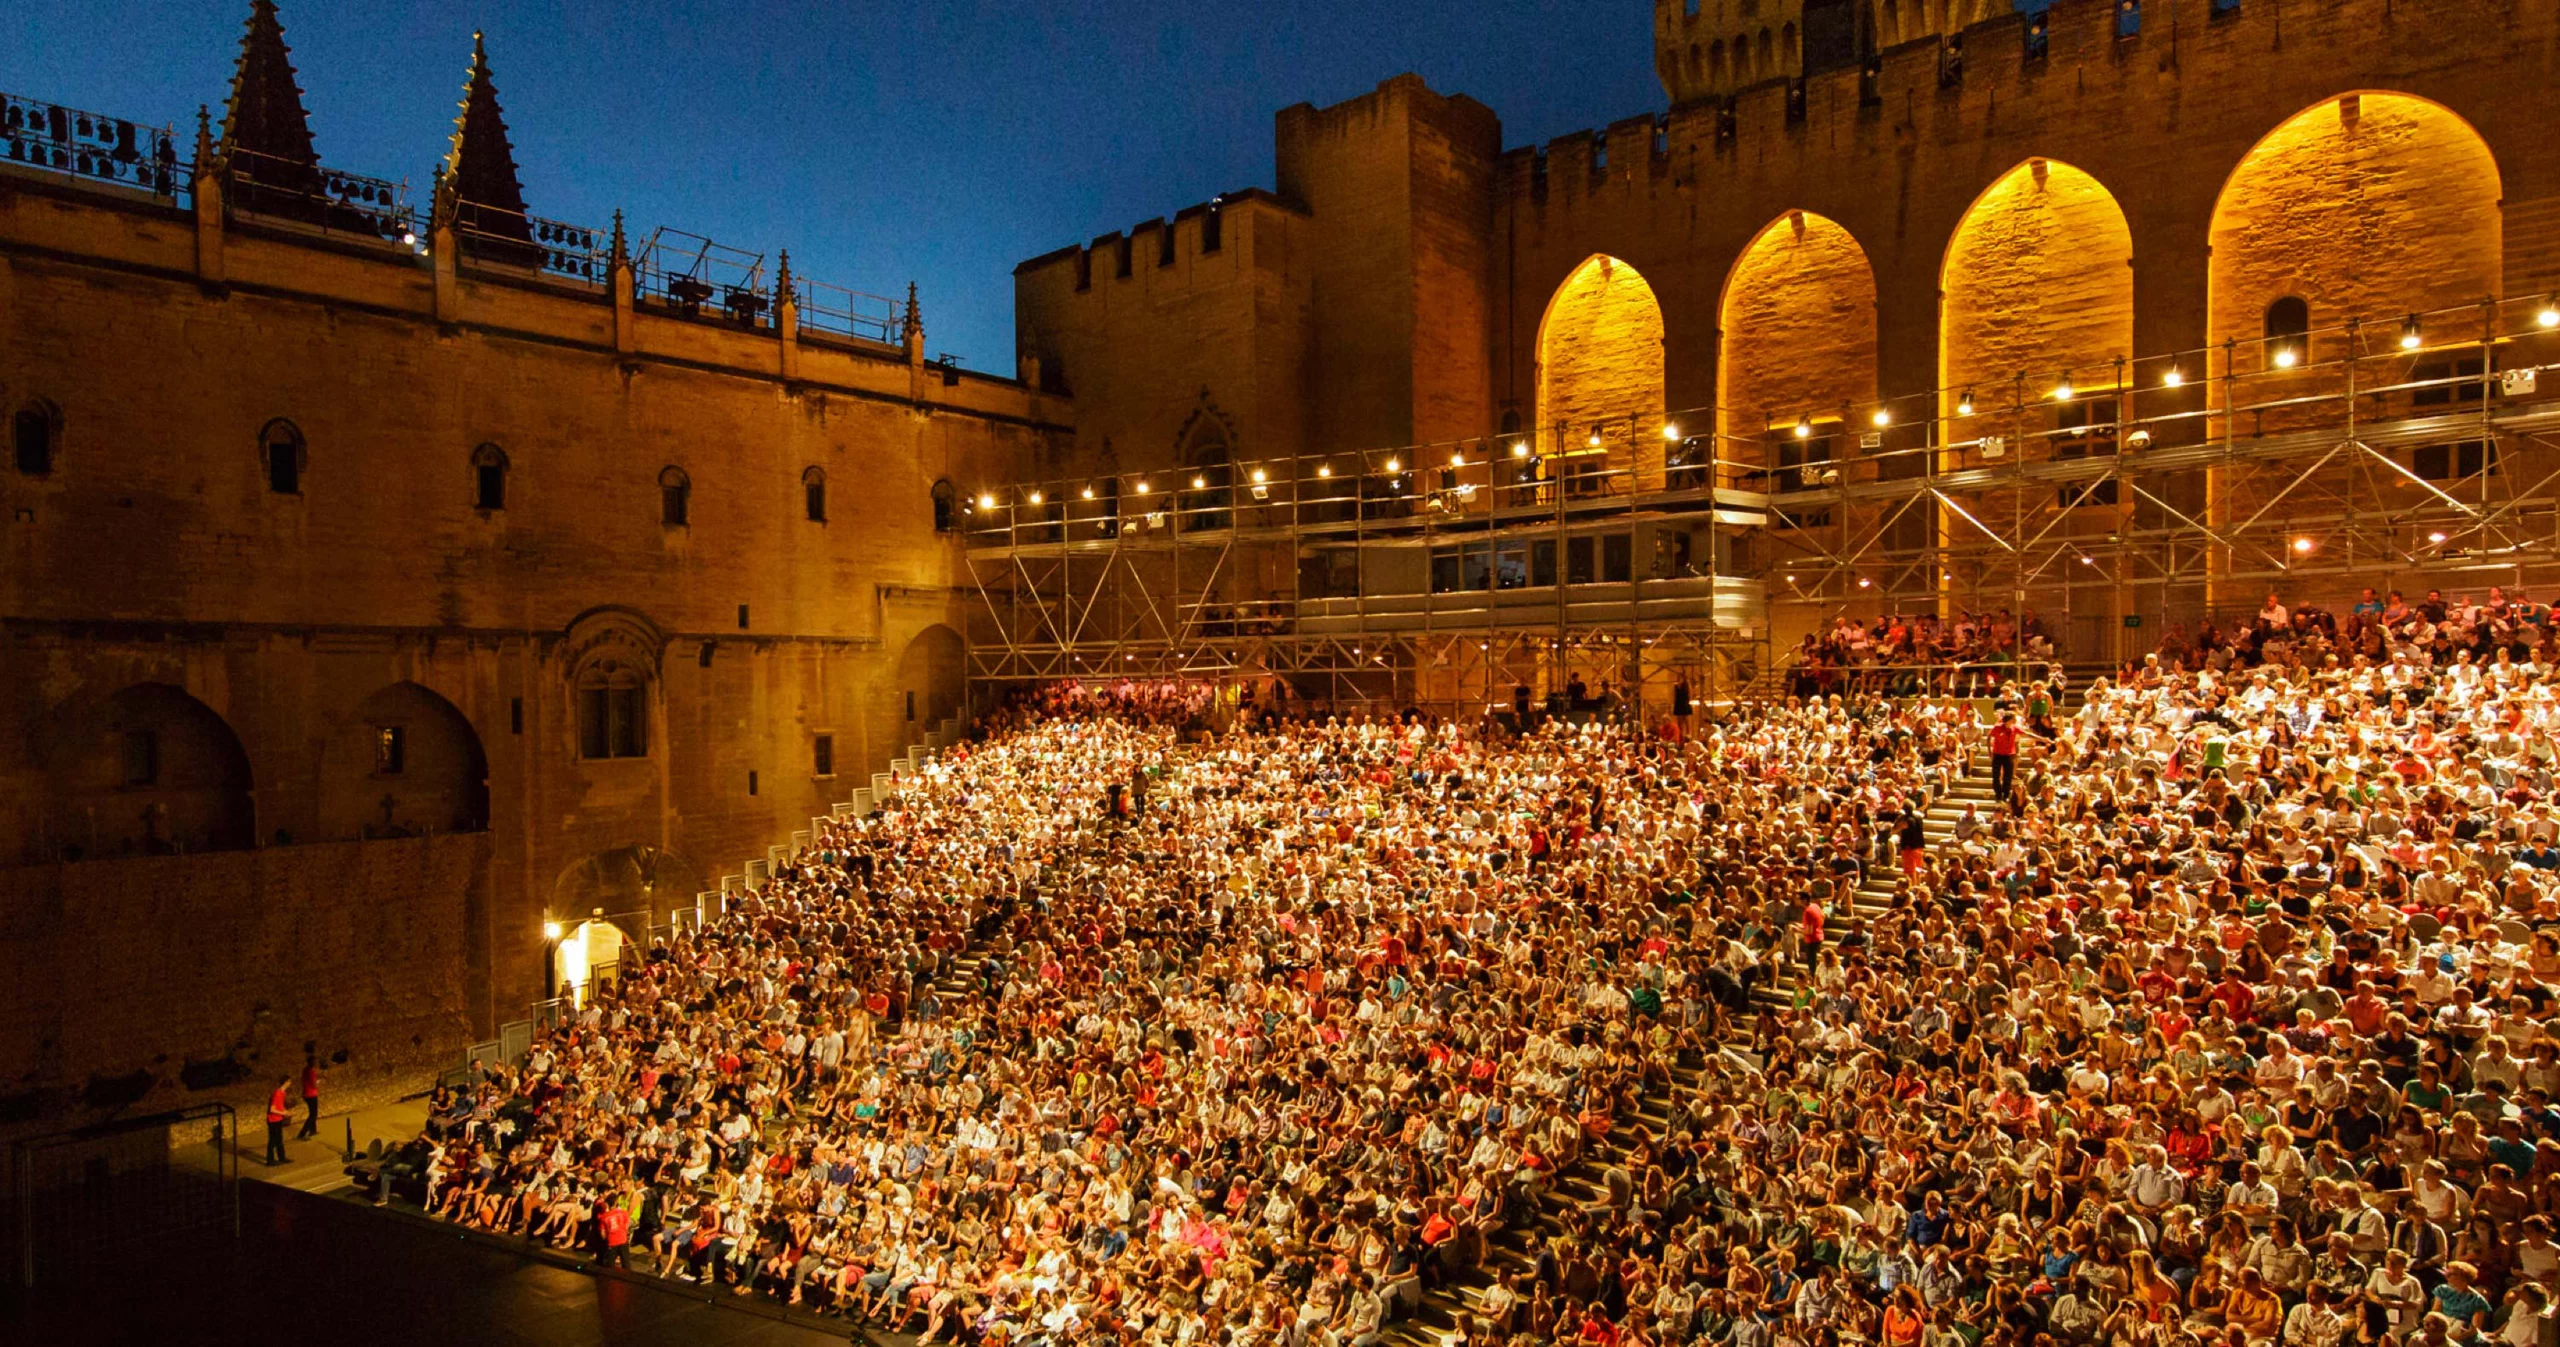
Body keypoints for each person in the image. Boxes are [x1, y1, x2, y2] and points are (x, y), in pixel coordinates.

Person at [1989, 711, 2020, 799]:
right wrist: (1989, 751)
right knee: (1996, 775)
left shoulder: (2014, 728)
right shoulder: (1997, 727)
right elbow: (1989, 737)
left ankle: (2006, 793)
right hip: (1997, 754)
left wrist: (2042, 739)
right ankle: (1998, 793)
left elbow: (2027, 733)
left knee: (2008, 775)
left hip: (2009, 755)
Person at [265, 1076, 293, 1166]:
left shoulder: (282, 1093)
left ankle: (282, 1157)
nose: (290, 1083)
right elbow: (272, 1109)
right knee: (273, 1140)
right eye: (289, 1082)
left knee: (279, 1140)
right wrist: (283, 1113)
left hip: (278, 1119)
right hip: (273, 1120)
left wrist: (286, 1112)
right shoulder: (277, 1093)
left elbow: (279, 1106)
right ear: (285, 1082)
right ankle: (270, 1160)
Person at [297, 1050, 322, 1140]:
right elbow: (314, 1085)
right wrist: (318, 1082)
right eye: (314, 1062)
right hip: (311, 1095)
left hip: (306, 1094)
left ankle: (313, 1130)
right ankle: (302, 1133)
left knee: (312, 1113)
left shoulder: (305, 1070)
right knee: (313, 1115)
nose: (316, 1063)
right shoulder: (311, 1071)